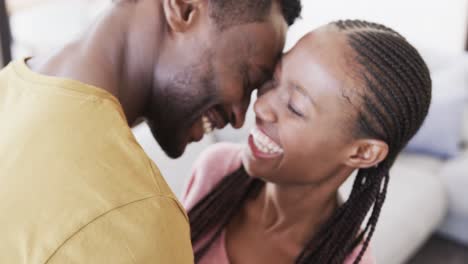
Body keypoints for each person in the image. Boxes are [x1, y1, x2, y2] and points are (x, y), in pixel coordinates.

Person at [0, 0, 301, 262]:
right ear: (184, 9)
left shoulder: (8, 91)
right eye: (248, 76)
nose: (239, 117)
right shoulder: (135, 217)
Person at [183, 20, 432, 264]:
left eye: (294, 107)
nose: (260, 106)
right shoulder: (217, 169)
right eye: (272, 79)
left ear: (363, 152)